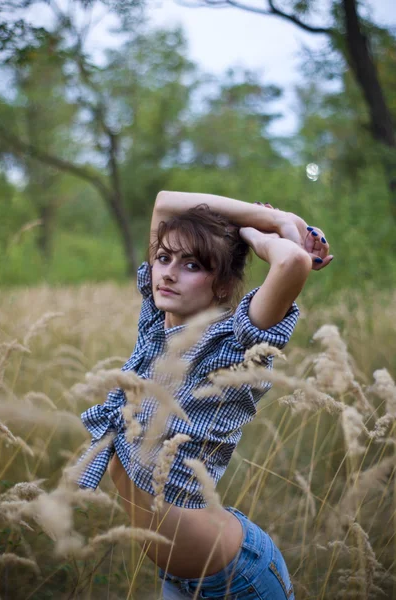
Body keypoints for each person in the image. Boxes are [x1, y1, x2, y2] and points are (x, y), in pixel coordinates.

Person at [76, 191, 332, 599]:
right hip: (179, 580)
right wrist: (275, 215)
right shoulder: (155, 326)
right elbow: (163, 203)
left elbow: (293, 261)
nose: (169, 273)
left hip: (236, 581)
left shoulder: (232, 346)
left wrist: (262, 231)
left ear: (223, 284)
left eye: (192, 265)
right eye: (164, 259)